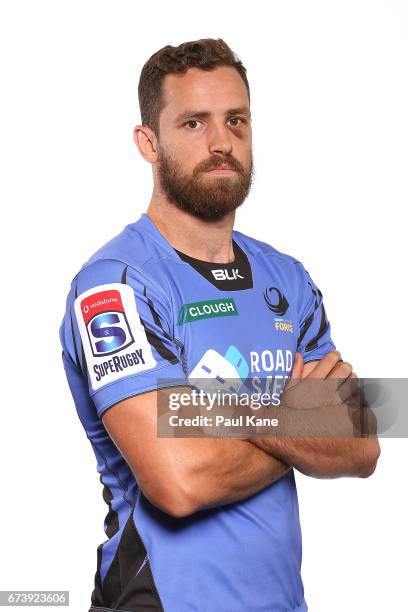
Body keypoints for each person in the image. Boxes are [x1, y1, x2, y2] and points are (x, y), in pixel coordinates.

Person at [59, 38, 380, 612]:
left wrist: (211, 408)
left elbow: (362, 445)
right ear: (148, 143)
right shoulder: (116, 286)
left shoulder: (289, 277)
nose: (220, 142)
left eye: (236, 120)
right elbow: (178, 481)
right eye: (193, 123)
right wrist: (297, 418)